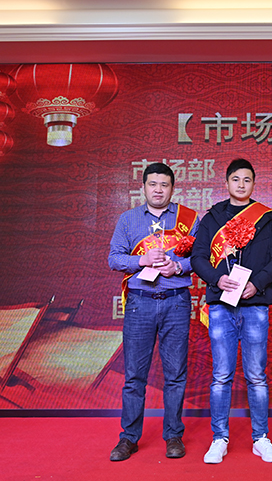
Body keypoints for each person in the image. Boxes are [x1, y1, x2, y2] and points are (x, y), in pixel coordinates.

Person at [191, 158, 272, 464]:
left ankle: (260, 438)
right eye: (236, 179)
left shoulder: (267, 218)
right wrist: (216, 279)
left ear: (253, 184)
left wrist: (257, 283)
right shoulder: (213, 217)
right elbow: (197, 257)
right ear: (227, 183)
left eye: (247, 180)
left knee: (256, 375)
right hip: (221, 304)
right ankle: (219, 438)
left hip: (255, 304)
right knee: (221, 375)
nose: (241, 185)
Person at [107, 162, 200, 462]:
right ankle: (128, 438)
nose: (158, 190)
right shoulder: (128, 219)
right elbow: (114, 258)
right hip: (140, 303)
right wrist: (142, 261)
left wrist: (179, 266)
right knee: (134, 375)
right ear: (143, 187)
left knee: (175, 374)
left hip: (176, 301)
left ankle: (173, 435)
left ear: (172, 188)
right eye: (153, 184)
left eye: (164, 185)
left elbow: (200, 258)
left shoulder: (188, 218)